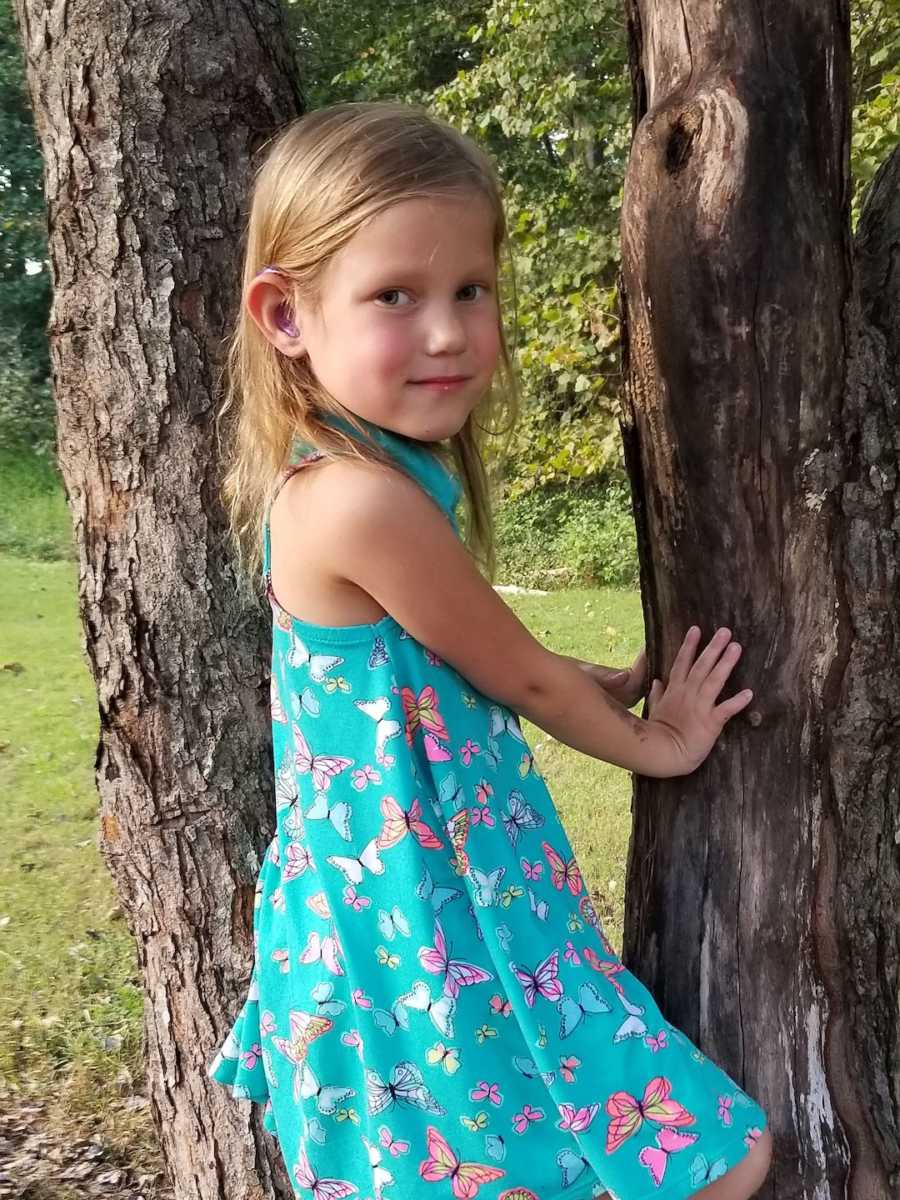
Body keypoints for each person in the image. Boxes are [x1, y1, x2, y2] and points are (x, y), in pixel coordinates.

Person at [208, 101, 773, 1200]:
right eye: (394, 297)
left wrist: (582, 678)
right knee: (713, 1161)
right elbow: (512, 672)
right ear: (285, 315)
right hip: (427, 925)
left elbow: (443, 657)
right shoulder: (358, 499)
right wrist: (659, 745)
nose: (449, 330)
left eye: (471, 288)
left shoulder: (363, 472)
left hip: (428, 905)